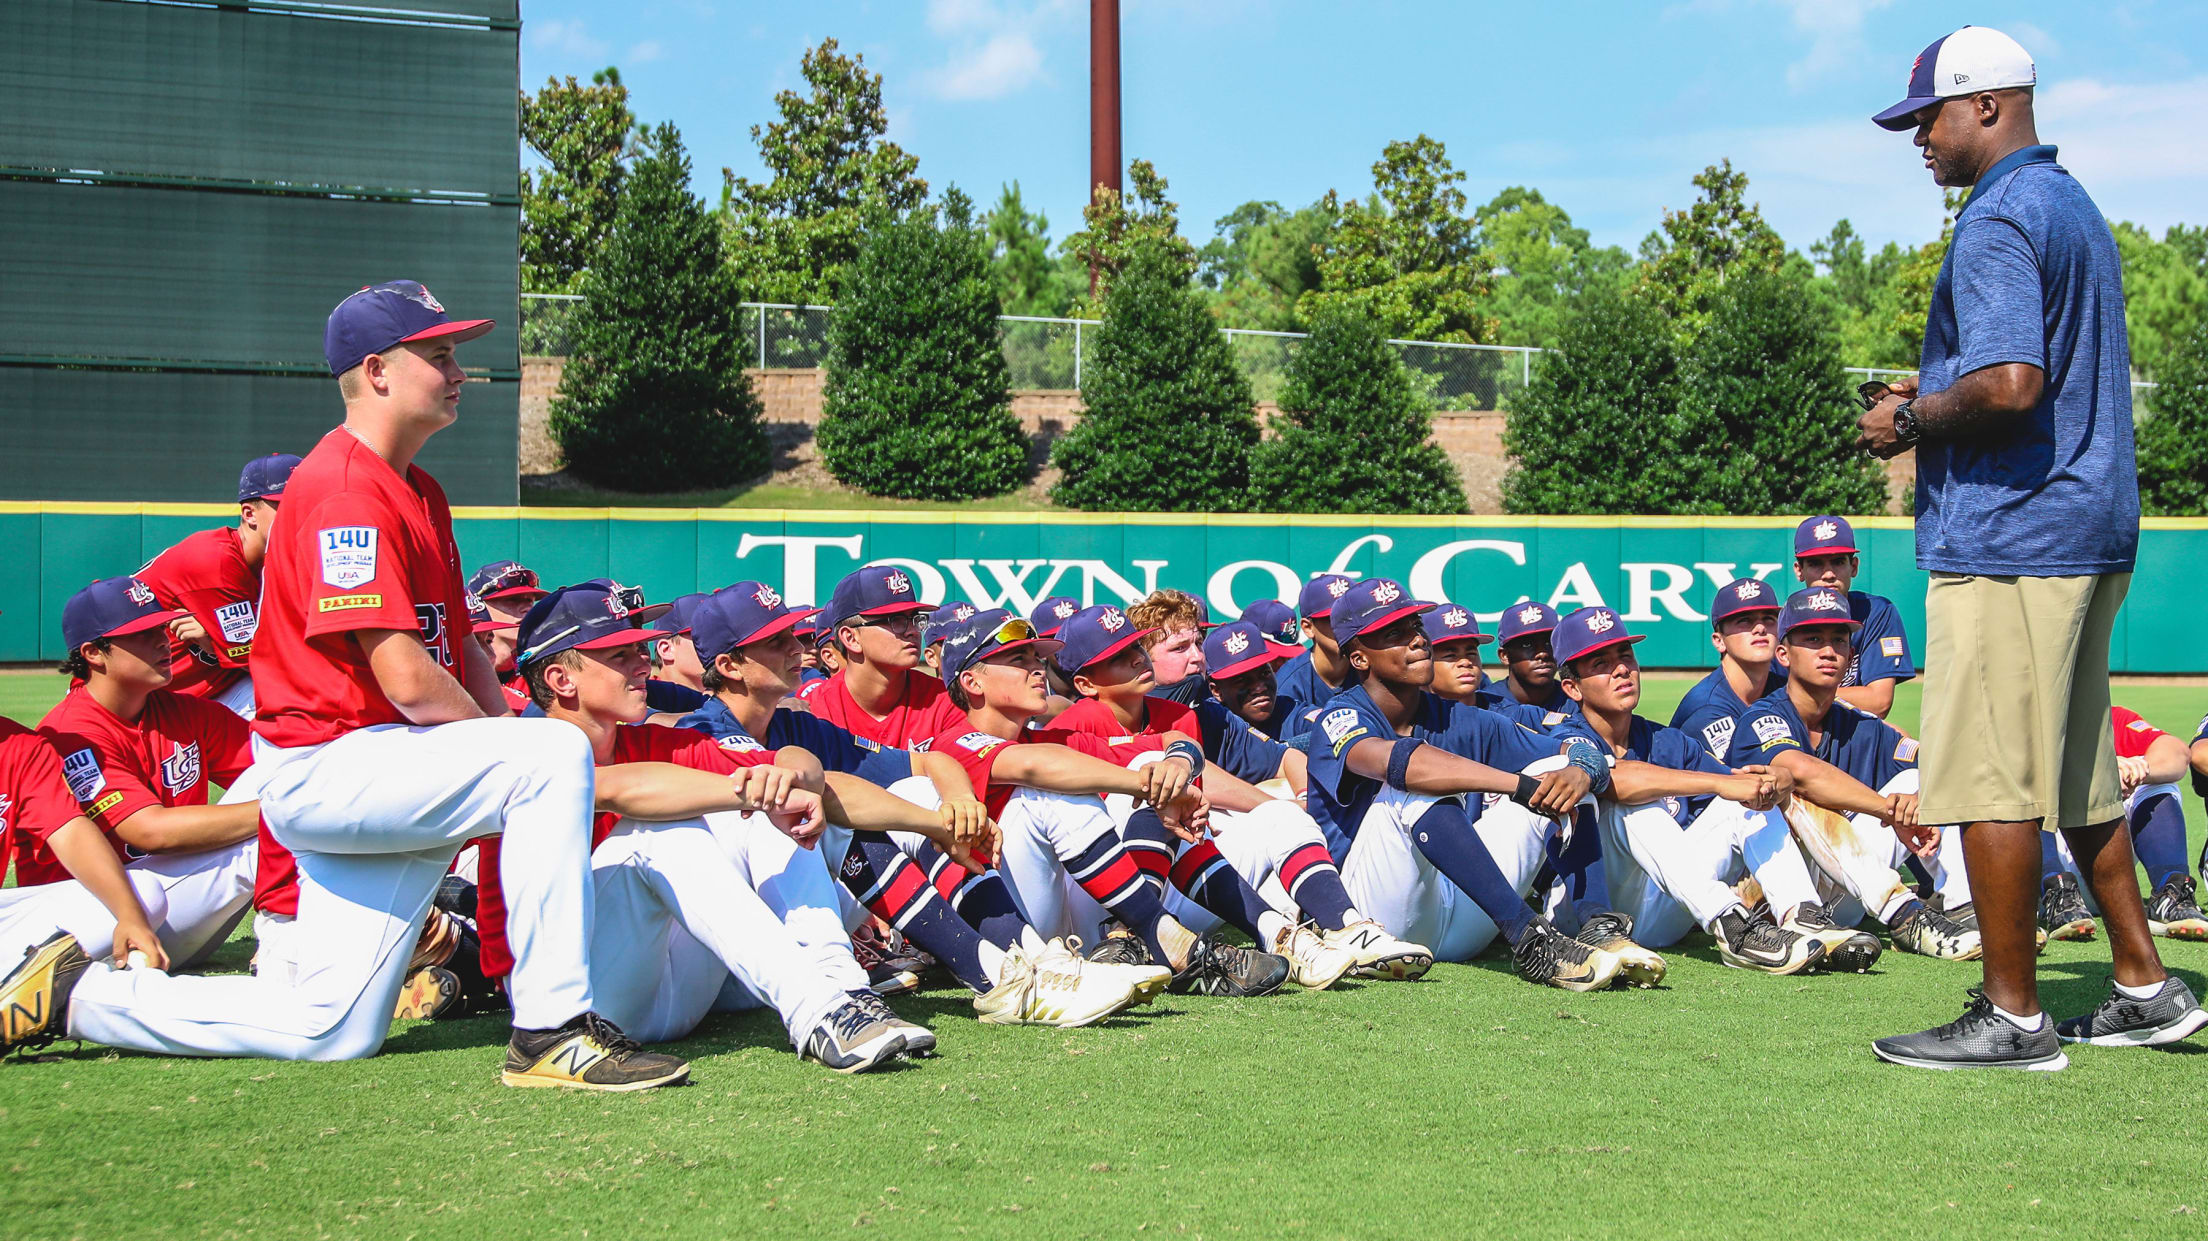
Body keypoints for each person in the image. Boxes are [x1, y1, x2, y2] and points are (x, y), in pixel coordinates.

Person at [0, 281, 685, 1090]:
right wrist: (518, 749)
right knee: (547, 754)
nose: (460, 370)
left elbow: (459, 646)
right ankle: (550, 1029)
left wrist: (509, 733)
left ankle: (79, 999)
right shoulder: (343, 490)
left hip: (383, 769)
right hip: (332, 768)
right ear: (378, 371)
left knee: (330, 1025)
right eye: (439, 354)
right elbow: (404, 675)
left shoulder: (418, 489)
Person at [1858, 26, 2202, 1067]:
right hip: (2084, 522)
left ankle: (2011, 1015)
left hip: (2014, 532)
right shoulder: (2071, 203)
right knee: (2077, 776)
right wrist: (1936, 388)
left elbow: (2011, 384)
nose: (1918, 136)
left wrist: (1909, 422)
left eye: (1931, 115)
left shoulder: (2001, 214)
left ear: (1991, 106)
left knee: (1989, 777)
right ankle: (2144, 984)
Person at [477, 580, 939, 1073]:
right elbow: (624, 787)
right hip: (576, 1003)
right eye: (617, 654)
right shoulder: (523, 755)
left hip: (678, 988)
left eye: (638, 647)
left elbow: (776, 775)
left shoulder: (651, 739)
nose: (641, 661)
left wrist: (790, 770)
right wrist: (751, 789)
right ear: (561, 680)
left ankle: (842, 989)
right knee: (661, 832)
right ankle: (818, 1010)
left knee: (762, 805)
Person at [675, 583, 1166, 1027]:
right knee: (833, 815)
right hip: (723, 963)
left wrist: (951, 803)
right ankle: (1005, 974)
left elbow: (927, 765)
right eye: (775, 641)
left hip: (801, 929)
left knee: (911, 795)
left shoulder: (795, 725)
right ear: (729, 665)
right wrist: (936, 824)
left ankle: (1032, 963)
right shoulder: (699, 733)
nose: (796, 647)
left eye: (792, 635)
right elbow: (818, 788)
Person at [1299, 578, 1655, 991]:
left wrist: (1580, 768)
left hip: (1461, 917)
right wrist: (1516, 784)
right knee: (1411, 788)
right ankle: (1531, 941)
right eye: (1394, 635)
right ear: (1360, 658)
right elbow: (1402, 764)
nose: (1417, 640)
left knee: (1558, 772)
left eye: (1415, 626)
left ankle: (1598, 926)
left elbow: (1579, 746)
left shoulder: (1456, 716)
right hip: (1371, 915)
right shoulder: (1341, 716)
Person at [922, 608, 1292, 996]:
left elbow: (1170, 743)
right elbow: (1033, 766)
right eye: (1019, 660)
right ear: (972, 682)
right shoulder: (955, 739)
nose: (1037, 668)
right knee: (1054, 792)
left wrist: (1176, 766)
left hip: (1072, 921)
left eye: (1036, 658)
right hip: (1001, 919)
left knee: (1163, 773)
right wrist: (1143, 784)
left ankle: (1133, 938)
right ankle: (1162, 935)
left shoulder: (1051, 740)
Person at [1051, 609, 1431, 983]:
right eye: (1117, 658)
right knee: (1157, 775)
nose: (1136, 658)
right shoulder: (1071, 725)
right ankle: (1129, 933)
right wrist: (1172, 759)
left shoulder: (1178, 715)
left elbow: (1206, 762)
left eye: (1136, 646)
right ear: (1085, 684)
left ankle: (1340, 929)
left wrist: (1283, 803)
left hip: (1178, 890)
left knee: (1281, 815)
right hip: (1099, 904)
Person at [1549, 607, 1844, 973]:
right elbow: (1619, 782)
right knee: (1633, 805)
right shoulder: (1564, 737)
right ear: (1572, 687)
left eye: (1625, 655)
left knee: (1743, 806)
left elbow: (1739, 787)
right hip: (1585, 913)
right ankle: (1734, 927)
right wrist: (1720, 782)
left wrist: (1775, 781)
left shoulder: (1667, 741)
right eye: (1601, 663)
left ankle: (1802, 915)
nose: (1622, 669)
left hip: (1658, 911)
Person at [11, 579, 262, 975]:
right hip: (93, 925)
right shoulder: (72, 733)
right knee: (281, 823)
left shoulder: (182, 711)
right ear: (94, 653)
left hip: (168, 909)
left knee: (286, 775)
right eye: (141, 635)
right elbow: (149, 832)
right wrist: (284, 811)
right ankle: (291, 944)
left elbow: (280, 766)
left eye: (161, 628)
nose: (163, 641)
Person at [1731, 589, 1981, 963]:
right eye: (1813, 639)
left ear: (1850, 654)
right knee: (1781, 789)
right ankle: (1904, 918)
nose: (1829, 651)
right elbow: (1800, 772)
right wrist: (1887, 810)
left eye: (1839, 640)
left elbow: (1934, 765)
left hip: (1846, 890)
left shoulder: (1862, 726)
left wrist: (1917, 803)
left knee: (1920, 783)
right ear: (1783, 654)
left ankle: (1965, 909)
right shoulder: (1762, 718)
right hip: (1771, 896)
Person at [135, 453, 300, 718]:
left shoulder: (277, 563)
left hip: (199, 693)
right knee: (290, 695)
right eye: (288, 507)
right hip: (135, 707)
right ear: (250, 514)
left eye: (307, 505)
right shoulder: (218, 561)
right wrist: (219, 645)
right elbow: (261, 660)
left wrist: (215, 641)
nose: (301, 515)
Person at [2040, 707, 2205, 940]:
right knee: (2024, 798)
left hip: (2102, 873)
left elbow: (2178, 754)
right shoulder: (2024, 723)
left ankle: (2171, 894)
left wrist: (2138, 769)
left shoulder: (2104, 715)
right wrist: (2100, 773)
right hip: (2038, 879)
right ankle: (2057, 896)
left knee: (2157, 783)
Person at [808, 567, 968, 747]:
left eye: (915, 619)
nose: (913, 631)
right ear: (850, 638)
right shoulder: (815, 710)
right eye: (895, 620)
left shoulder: (943, 700)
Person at [1790, 517, 1915, 720]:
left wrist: (1800, 695)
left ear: (1854, 566)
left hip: (1855, 733)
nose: (1829, 574)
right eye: (1815, 564)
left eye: (1838, 562)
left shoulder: (1876, 612)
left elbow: (1879, 701)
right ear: (1799, 570)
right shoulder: (1785, 619)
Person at [1671, 579, 1786, 762]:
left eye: (1769, 619)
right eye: (1744, 621)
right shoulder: (1707, 709)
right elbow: (1744, 781)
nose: (1760, 628)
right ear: (1719, 641)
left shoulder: (1782, 687)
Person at [1204, 617, 1311, 741]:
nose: (1260, 688)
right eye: (1241, 680)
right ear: (1217, 691)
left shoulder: (1290, 711)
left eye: (1265, 673)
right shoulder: (1207, 725)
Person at [1273, 575, 1355, 711]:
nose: (1349, 626)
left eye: (1353, 616)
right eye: (1336, 619)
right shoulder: (1289, 685)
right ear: (1308, 628)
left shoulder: (1373, 666)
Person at [1126, 589, 1210, 706]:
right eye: (1179, 648)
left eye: (1198, 643)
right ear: (1143, 658)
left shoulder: (1223, 719)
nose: (1198, 656)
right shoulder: (1118, 717)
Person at [1492, 602, 1569, 715]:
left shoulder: (1578, 702)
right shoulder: (1484, 704)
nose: (1542, 654)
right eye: (1527, 645)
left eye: (1549, 643)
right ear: (1505, 656)